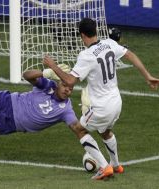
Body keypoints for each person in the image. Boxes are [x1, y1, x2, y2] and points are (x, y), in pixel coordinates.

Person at [43, 18, 159, 180]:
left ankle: (105, 167)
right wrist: (147, 76)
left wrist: (53, 66)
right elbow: (130, 54)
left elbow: (70, 81)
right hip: (116, 102)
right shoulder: (109, 44)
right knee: (105, 131)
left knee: (79, 128)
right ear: (96, 31)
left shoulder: (86, 55)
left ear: (82, 35)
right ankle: (116, 165)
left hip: (102, 107)